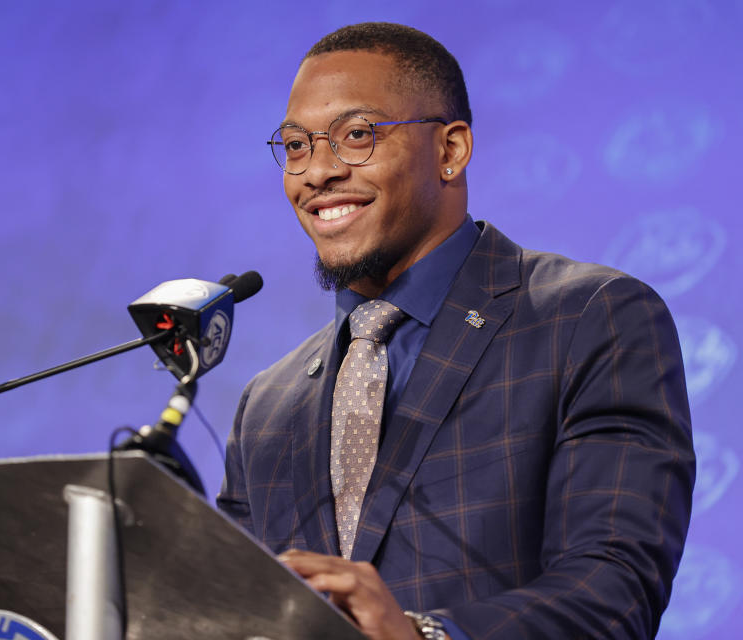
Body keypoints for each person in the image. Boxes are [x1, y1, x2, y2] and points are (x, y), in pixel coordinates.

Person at [216, 22, 694, 640]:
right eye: (297, 145)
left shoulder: (588, 318)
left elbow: (613, 588)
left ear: (451, 150)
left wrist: (424, 637)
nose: (317, 173)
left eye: (356, 135)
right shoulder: (268, 404)